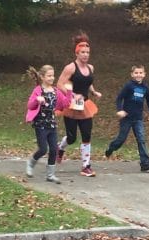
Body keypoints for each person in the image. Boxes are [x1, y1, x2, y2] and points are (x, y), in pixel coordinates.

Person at [56, 31, 102, 177]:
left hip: (85, 106)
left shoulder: (91, 68)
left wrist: (94, 92)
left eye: (87, 52)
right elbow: (59, 84)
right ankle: (60, 147)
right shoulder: (70, 68)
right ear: (77, 53)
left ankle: (86, 166)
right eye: (82, 52)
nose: (85, 55)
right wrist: (72, 95)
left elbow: (88, 83)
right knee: (71, 138)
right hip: (71, 106)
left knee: (87, 135)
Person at [25, 65, 72, 183]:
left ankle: (50, 175)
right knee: (43, 149)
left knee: (54, 149)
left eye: (53, 75)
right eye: (49, 76)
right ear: (42, 77)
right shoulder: (38, 90)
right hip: (40, 124)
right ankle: (31, 163)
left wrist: (69, 90)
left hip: (51, 124)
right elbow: (30, 106)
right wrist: (37, 100)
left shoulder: (56, 91)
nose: (52, 78)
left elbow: (66, 103)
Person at [105, 64, 149, 171]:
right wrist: (120, 110)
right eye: (136, 73)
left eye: (140, 73)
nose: (138, 75)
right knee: (121, 139)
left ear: (144, 74)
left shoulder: (145, 87)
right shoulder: (129, 86)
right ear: (132, 74)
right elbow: (119, 98)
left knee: (141, 139)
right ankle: (111, 148)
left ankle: (145, 163)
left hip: (138, 119)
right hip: (126, 118)